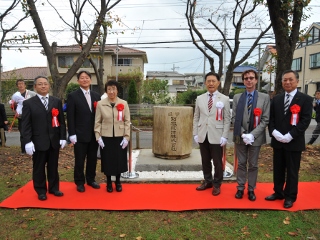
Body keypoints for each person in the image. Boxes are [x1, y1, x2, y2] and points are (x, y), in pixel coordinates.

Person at [265, 70, 313, 209]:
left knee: (292, 171)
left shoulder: (305, 99)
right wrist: (274, 132)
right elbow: (271, 119)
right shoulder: (277, 99)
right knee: (278, 169)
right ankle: (278, 192)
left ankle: (290, 196)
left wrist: (290, 135)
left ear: (297, 81)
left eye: (290, 80)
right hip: (278, 141)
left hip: (294, 141)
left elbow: (305, 121)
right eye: (285, 80)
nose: (287, 82)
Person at [21, 76, 67, 201]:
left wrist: (63, 137)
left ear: (49, 86)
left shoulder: (56, 101)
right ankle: (41, 190)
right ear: (35, 87)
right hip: (38, 141)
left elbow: (61, 121)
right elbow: (25, 125)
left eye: (45, 84)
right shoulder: (28, 103)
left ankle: (54, 188)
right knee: (39, 167)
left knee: (53, 166)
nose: (43, 86)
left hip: (54, 141)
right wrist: (27, 141)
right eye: (40, 84)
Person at [232, 69, 270, 201]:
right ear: (243, 81)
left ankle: (251, 189)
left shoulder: (264, 97)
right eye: (246, 78)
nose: (249, 80)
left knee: (253, 164)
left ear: (256, 80)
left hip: (256, 137)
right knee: (241, 163)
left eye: (251, 78)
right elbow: (234, 118)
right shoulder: (237, 98)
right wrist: (243, 134)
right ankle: (240, 188)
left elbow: (265, 119)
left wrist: (252, 135)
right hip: (240, 137)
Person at [193, 72, 231, 196]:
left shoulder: (224, 99)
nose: (211, 83)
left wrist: (225, 136)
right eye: (208, 81)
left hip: (217, 135)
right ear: (205, 83)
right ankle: (207, 181)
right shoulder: (200, 98)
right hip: (203, 134)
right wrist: (195, 133)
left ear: (218, 83)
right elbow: (196, 117)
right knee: (205, 161)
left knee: (217, 162)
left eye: (213, 81)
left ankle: (217, 184)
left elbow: (227, 119)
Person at [67, 70, 101, 192]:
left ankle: (91, 179)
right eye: (82, 78)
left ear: (90, 80)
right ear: (78, 81)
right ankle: (79, 182)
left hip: (94, 134)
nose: (85, 79)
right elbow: (70, 116)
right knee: (80, 160)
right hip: (79, 134)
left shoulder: (97, 96)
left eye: (87, 77)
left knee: (92, 158)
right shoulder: (73, 96)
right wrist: (72, 134)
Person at [94, 80, 130, 193]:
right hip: (106, 136)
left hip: (120, 136)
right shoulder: (101, 104)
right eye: (109, 89)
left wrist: (126, 137)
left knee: (119, 160)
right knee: (108, 160)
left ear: (117, 90)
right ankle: (109, 182)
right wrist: (98, 136)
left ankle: (118, 182)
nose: (111, 91)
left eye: (113, 89)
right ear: (106, 91)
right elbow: (97, 122)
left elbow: (127, 121)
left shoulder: (124, 103)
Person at [10, 79, 36, 154]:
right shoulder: (15, 95)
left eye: (22, 83)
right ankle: (23, 149)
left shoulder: (32, 93)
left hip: (32, 116)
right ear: (17, 86)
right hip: (21, 117)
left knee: (33, 132)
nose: (21, 85)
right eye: (19, 84)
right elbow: (12, 105)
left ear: (25, 85)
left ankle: (33, 148)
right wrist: (15, 112)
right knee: (23, 133)